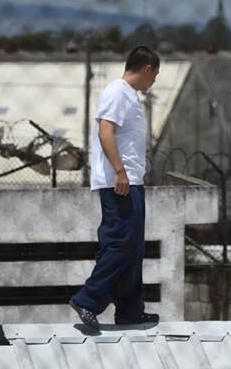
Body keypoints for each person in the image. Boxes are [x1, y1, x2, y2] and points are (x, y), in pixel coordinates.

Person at [70, 46, 161, 330]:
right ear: (147, 68)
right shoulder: (117, 92)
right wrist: (120, 171)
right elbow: (105, 131)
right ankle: (88, 300)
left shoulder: (128, 95)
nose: (154, 81)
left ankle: (130, 310)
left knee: (133, 246)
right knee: (121, 242)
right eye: (155, 75)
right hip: (119, 182)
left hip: (131, 180)